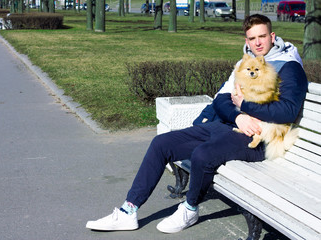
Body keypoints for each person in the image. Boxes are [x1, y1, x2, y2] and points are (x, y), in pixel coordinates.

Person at [86, 14, 308, 234]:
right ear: (246, 40)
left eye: (262, 36)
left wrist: (246, 108)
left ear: (272, 36)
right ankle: (128, 211)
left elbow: (287, 111)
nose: (258, 43)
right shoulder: (244, 62)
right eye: (252, 38)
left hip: (257, 137)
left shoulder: (289, 66)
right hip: (229, 125)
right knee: (161, 143)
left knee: (203, 154)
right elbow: (221, 99)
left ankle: (190, 208)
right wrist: (238, 115)